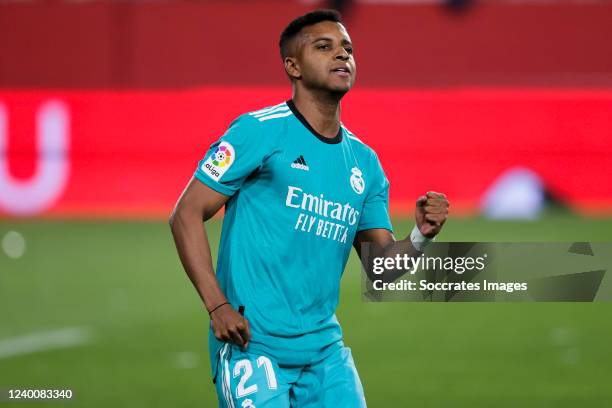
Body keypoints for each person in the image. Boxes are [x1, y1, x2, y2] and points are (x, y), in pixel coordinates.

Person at [170, 9, 449, 407]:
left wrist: (422, 234)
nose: (342, 56)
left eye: (347, 49)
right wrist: (217, 306)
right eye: (325, 47)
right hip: (253, 345)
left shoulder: (365, 163)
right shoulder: (258, 130)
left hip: (324, 354)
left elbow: (382, 270)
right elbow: (185, 214)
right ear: (293, 66)